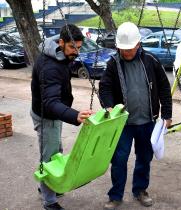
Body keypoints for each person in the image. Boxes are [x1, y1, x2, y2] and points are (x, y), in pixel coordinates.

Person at [99, 22, 172, 210]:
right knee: (119, 159)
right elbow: (105, 87)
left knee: (144, 158)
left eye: (130, 49)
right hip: (123, 123)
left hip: (147, 121)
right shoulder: (113, 64)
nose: (127, 53)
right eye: (123, 50)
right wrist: (108, 106)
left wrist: (167, 115)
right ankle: (115, 195)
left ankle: (140, 190)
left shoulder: (151, 60)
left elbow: (164, 88)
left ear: (138, 44)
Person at [31, 24, 93, 210]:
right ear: (60, 42)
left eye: (79, 48)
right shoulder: (50, 66)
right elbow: (50, 102)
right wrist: (75, 115)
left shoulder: (61, 55)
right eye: (73, 47)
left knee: (56, 151)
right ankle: (49, 201)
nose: (76, 52)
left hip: (54, 112)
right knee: (49, 158)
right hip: (46, 116)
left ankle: (49, 187)